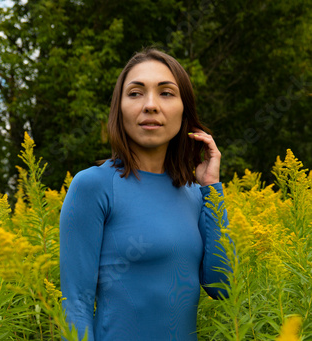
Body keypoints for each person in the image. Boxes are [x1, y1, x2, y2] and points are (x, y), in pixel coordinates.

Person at [59, 47, 231, 341]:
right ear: (119, 108)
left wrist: (211, 188)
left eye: (166, 93)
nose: (150, 105)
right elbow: (76, 304)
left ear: (184, 111)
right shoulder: (92, 186)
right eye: (136, 93)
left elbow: (222, 286)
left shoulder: (194, 193)